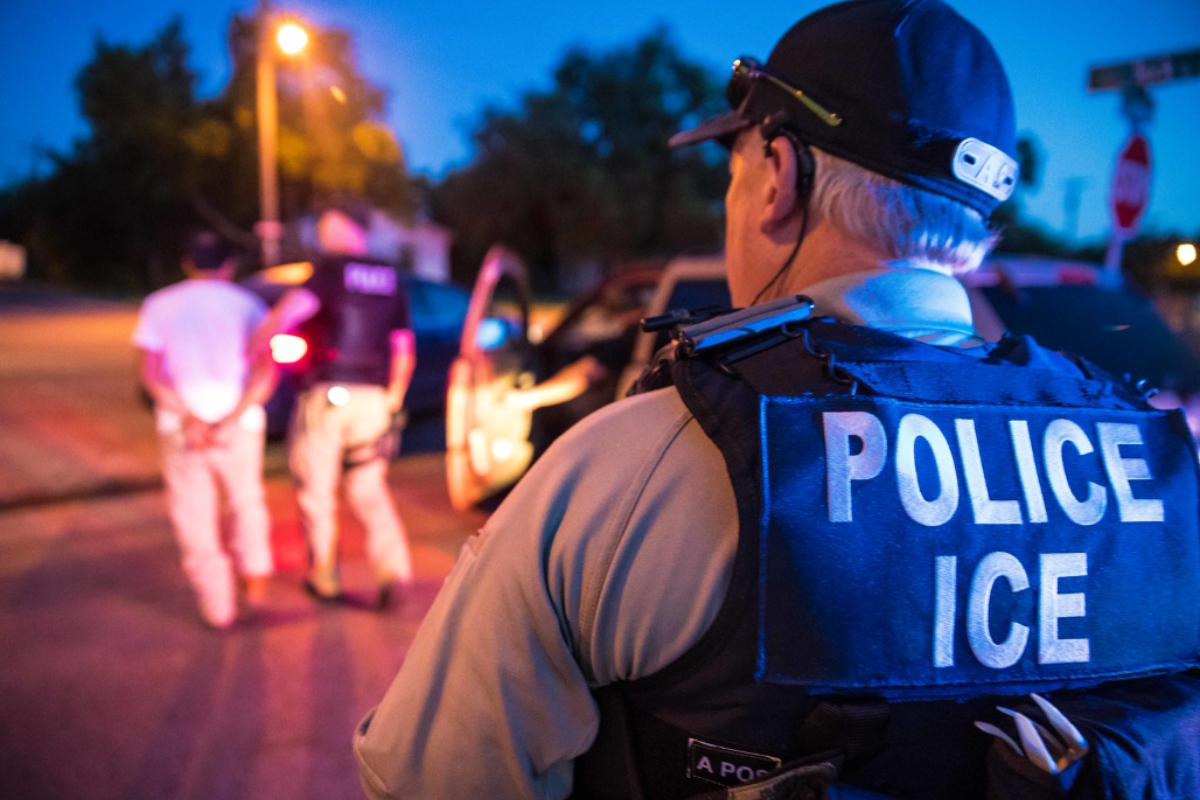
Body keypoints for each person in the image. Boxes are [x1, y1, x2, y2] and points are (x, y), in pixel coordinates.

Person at [354, 1, 1200, 798]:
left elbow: (429, 775)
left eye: (734, 170)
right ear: (977, 230)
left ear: (778, 178)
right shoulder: (1153, 470)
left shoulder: (639, 465)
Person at [253, 207, 415, 608]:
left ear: (350, 229)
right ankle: (392, 569)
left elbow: (289, 313)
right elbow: (403, 348)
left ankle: (324, 577)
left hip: (326, 397)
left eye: (327, 228)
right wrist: (393, 400)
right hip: (374, 400)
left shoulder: (329, 271)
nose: (321, 236)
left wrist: (257, 343)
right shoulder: (390, 277)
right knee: (369, 489)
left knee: (317, 491)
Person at [133, 232, 277, 629]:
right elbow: (266, 372)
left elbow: (152, 374)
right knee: (247, 501)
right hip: (240, 423)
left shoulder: (159, 304)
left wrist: (191, 419)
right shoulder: (250, 305)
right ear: (229, 266)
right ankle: (256, 582)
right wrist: (230, 419)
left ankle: (219, 606)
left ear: (188, 263)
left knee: (194, 512)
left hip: (182, 426)